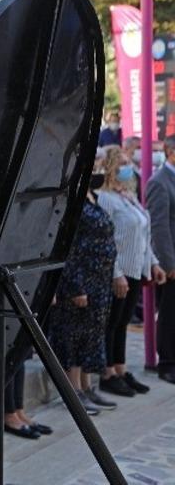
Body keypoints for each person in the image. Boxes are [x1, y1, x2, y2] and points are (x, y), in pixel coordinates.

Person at [98, 146, 167, 399]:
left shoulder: (129, 196)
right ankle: (108, 373)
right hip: (119, 271)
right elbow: (107, 241)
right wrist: (116, 273)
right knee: (112, 322)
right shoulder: (106, 198)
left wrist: (154, 263)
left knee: (123, 323)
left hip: (137, 268)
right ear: (112, 169)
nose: (128, 168)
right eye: (122, 164)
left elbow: (144, 236)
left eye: (128, 163)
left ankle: (121, 368)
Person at [47, 169, 117, 409]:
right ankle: (73, 390)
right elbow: (69, 246)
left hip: (99, 278)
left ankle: (87, 386)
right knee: (73, 335)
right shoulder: (71, 201)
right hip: (79, 280)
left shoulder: (92, 197)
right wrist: (75, 286)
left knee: (90, 335)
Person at [147, 135, 175, 385]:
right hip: (171, 262)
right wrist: (169, 264)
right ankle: (167, 363)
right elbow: (159, 227)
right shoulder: (160, 182)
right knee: (169, 314)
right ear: (169, 152)